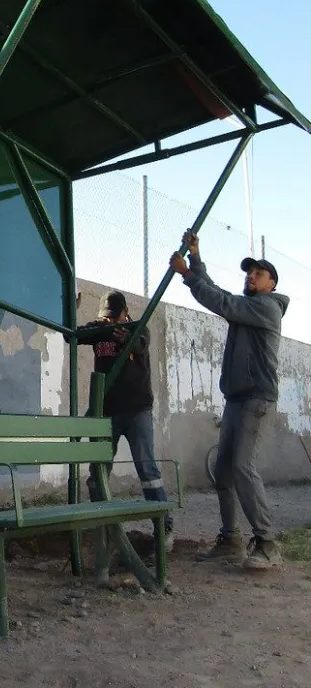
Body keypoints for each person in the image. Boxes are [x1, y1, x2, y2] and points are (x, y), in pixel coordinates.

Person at [170, 230, 288, 569]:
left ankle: (267, 543)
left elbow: (222, 302)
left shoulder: (266, 308)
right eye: (249, 272)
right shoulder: (248, 306)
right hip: (237, 399)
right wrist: (195, 256)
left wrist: (187, 275)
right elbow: (222, 295)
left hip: (257, 399)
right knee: (222, 470)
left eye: (259, 273)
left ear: (271, 284)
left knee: (241, 466)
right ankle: (230, 539)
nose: (251, 276)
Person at [77, 291, 174, 549]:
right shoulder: (98, 329)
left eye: (114, 317)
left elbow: (141, 343)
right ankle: (105, 530)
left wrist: (128, 338)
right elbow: (71, 336)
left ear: (125, 312)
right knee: (97, 472)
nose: (110, 323)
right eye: (105, 317)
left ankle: (163, 526)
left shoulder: (138, 328)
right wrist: (69, 312)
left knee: (147, 469)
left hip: (137, 409)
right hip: (106, 411)